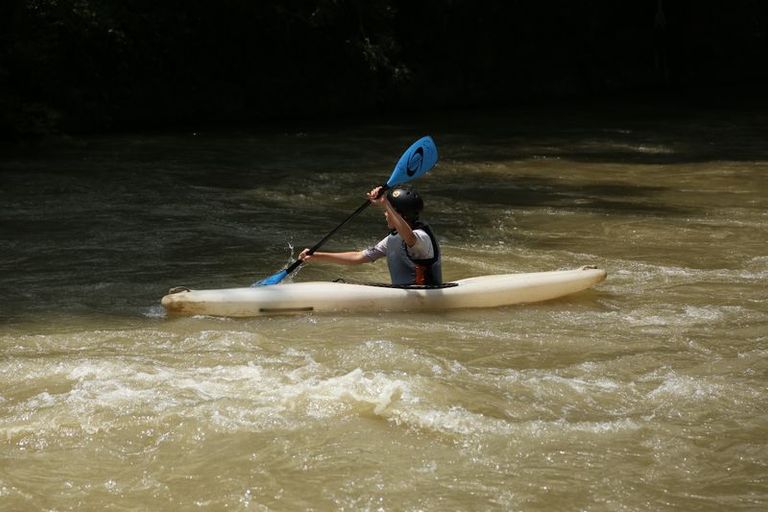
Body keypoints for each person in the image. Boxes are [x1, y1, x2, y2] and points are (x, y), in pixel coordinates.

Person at [299, 185, 442, 286]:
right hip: (405, 293)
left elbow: (410, 238)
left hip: (426, 296)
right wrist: (317, 256)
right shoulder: (392, 239)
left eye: (389, 211)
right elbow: (359, 257)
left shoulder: (421, 237)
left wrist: (385, 203)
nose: (386, 214)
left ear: (401, 215)